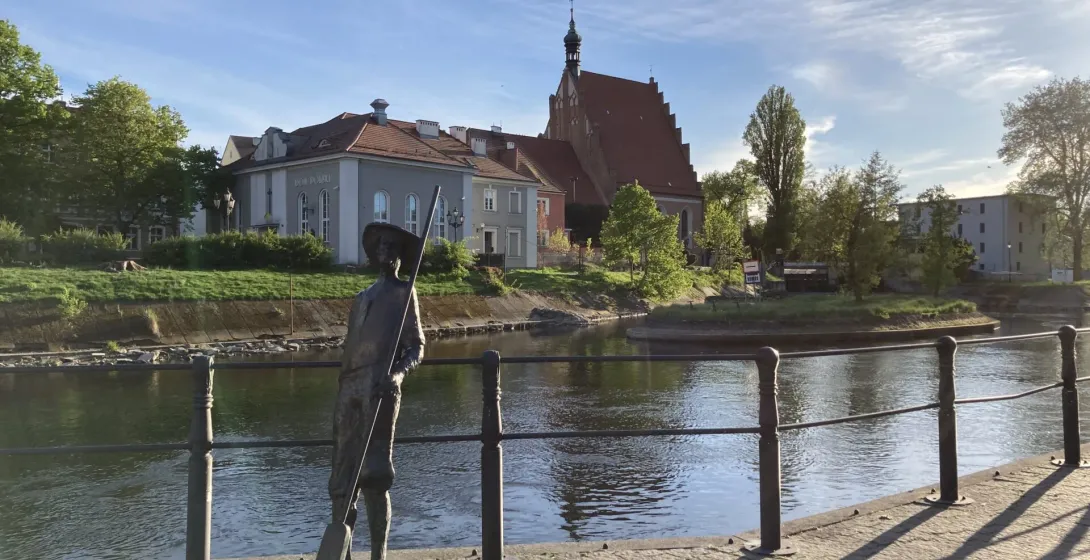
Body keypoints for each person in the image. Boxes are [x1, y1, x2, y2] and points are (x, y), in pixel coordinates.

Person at [328, 222, 425, 560]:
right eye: (381, 244)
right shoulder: (361, 297)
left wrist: (397, 375)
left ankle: (378, 554)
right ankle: (344, 551)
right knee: (342, 476)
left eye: (392, 245)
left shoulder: (404, 293)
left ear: (400, 255)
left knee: (375, 473)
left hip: (379, 390)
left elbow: (416, 348)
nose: (386, 249)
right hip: (349, 390)